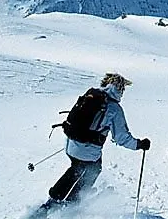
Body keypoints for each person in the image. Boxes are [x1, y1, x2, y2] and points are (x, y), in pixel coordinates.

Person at [43, 73, 150, 209]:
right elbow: (121, 138)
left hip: (70, 144)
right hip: (86, 150)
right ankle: (73, 202)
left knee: (76, 167)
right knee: (93, 168)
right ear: (119, 89)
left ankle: (54, 199)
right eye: (122, 90)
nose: (122, 94)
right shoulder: (113, 108)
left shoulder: (91, 95)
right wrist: (139, 144)